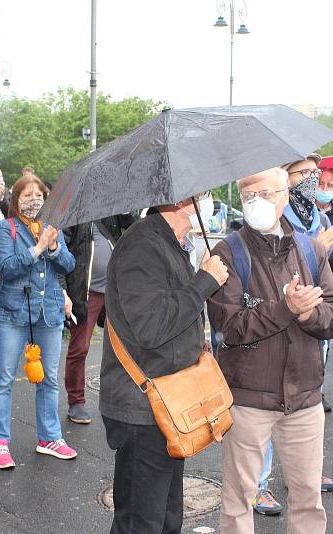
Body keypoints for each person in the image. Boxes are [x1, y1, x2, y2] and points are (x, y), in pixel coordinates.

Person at [209, 166, 333, 534]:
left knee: (307, 499)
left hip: (304, 398)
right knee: (239, 499)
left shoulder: (310, 248)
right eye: (248, 197)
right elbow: (231, 326)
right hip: (248, 399)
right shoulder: (228, 252)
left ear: (285, 195)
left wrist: (308, 313)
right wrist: (286, 309)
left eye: (265, 194)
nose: (256, 203)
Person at [99, 192, 228, 533]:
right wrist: (203, 282)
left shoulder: (170, 242)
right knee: (142, 523)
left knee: (166, 519)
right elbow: (153, 327)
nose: (208, 200)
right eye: (202, 194)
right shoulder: (143, 247)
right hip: (143, 408)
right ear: (181, 201)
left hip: (167, 403)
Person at [0, 174, 78, 469]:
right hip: (11, 314)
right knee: (3, 379)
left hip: (48, 313)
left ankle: (49, 438)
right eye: (27, 195)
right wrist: (37, 248)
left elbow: (69, 264)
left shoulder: (54, 229)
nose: (34, 200)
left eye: (39, 195)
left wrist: (53, 248)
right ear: (15, 200)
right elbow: (7, 268)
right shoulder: (5, 228)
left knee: (49, 378)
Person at [62, 214, 136, 424]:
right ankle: (76, 402)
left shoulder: (113, 211)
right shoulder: (76, 215)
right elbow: (63, 252)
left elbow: (135, 225)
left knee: (122, 347)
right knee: (80, 347)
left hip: (114, 290)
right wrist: (65, 289)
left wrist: (126, 209)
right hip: (86, 293)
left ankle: (118, 399)